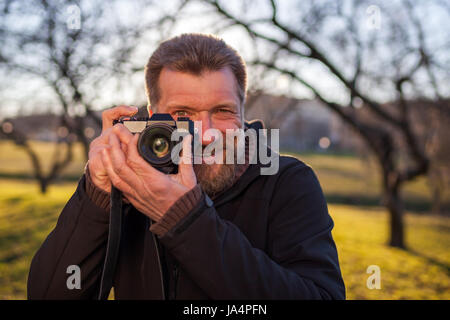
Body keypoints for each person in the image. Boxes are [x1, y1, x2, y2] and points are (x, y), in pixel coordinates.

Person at [27, 33, 345, 300]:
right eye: (183, 114)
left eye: (222, 111)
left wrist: (187, 222)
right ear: (153, 116)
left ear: (243, 112)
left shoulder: (287, 182)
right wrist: (98, 197)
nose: (206, 134)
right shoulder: (130, 186)